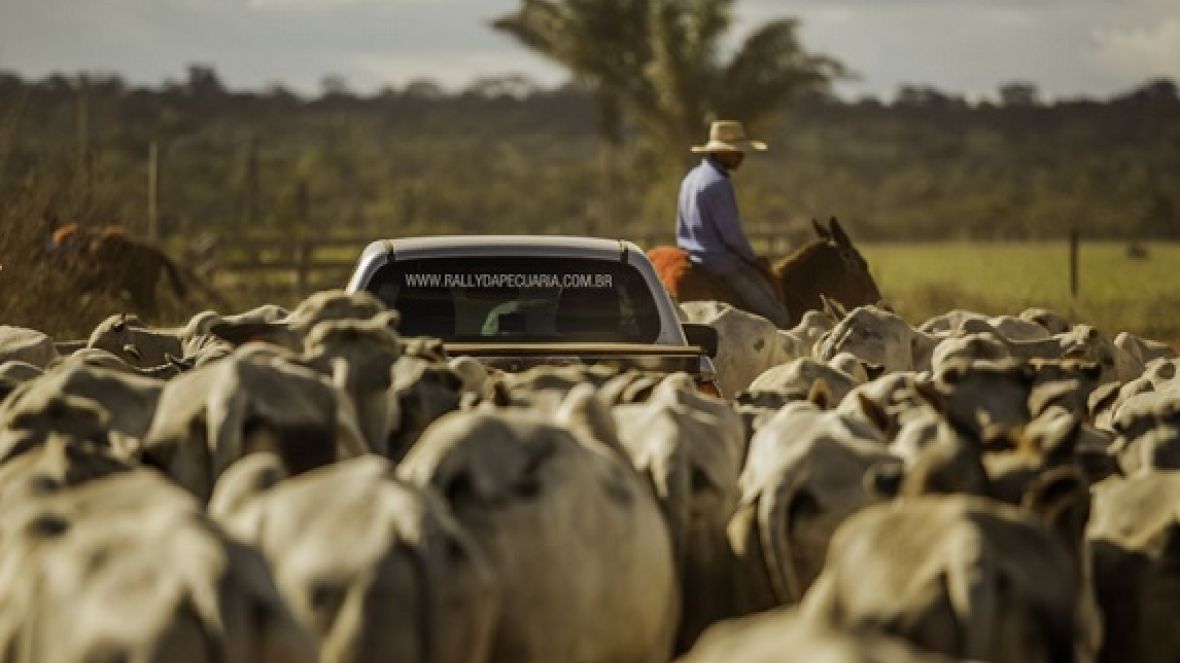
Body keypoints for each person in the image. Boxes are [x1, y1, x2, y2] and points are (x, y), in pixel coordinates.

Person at [675, 120, 791, 327]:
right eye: (735, 152)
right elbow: (732, 237)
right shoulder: (718, 184)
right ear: (719, 153)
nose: (741, 156)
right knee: (777, 316)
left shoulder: (690, 178)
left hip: (691, 255)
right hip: (719, 263)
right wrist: (754, 260)